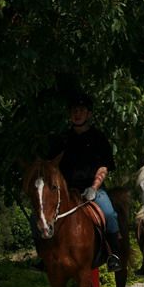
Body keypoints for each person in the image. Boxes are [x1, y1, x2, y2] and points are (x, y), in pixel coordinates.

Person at [47, 90, 123, 272]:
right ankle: (46, 256)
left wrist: (94, 188)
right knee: (41, 215)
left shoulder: (98, 138)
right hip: (66, 191)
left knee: (110, 213)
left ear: (88, 113)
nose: (77, 114)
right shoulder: (62, 140)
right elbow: (52, 167)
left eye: (81, 110)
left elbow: (104, 167)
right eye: (74, 110)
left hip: (92, 189)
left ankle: (114, 254)